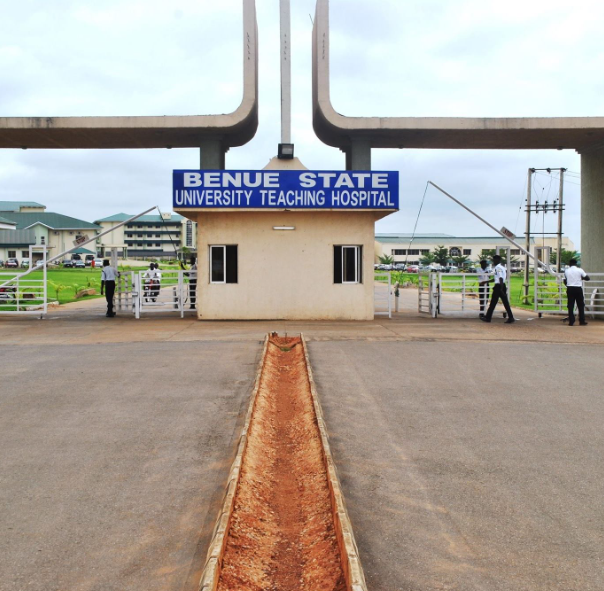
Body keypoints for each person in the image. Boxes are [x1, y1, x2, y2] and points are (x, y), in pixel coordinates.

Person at [481, 255, 515, 324]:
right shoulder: (501, 267)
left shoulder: (498, 268)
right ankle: (511, 317)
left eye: (494, 260)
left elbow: (500, 278)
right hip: (501, 285)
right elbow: (496, 278)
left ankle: (488, 318)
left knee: (493, 303)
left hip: (499, 286)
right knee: (504, 303)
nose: (493, 261)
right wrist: (486, 281)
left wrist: (501, 289)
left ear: (498, 260)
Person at [564, 259, 590, 326]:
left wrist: (568, 285)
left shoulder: (567, 271)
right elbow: (587, 278)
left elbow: (565, 280)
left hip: (570, 288)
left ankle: (571, 321)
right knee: (580, 305)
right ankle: (582, 321)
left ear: (570, 263)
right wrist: (581, 278)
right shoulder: (580, 270)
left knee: (570, 305)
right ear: (576, 263)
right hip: (578, 288)